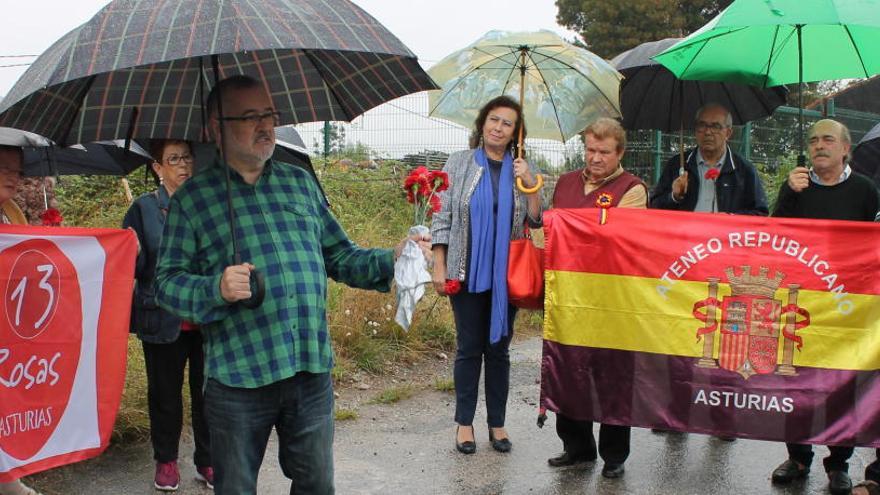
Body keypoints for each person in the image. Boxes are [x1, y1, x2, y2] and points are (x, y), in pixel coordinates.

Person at [154, 75, 429, 495]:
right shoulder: (192, 201)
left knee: (317, 485)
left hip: (309, 368)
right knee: (236, 488)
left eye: (269, 114)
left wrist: (392, 257)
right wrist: (216, 288)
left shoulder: (299, 183)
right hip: (239, 379)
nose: (266, 125)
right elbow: (166, 285)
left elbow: (340, 256)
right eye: (249, 117)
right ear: (215, 127)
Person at [770, 119, 880, 495]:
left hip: (847, 305)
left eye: (828, 140)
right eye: (814, 140)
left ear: (846, 148)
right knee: (794, 382)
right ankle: (798, 456)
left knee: (842, 384)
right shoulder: (795, 186)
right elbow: (774, 236)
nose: (819, 146)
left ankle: (840, 463)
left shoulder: (866, 191)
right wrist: (787, 193)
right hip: (800, 302)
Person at [430, 95, 543, 455]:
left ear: (515, 133)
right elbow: (442, 216)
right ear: (482, 123)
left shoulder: (525, 169)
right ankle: (464, 423)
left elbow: (537, 222)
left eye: (507, 123)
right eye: (493, 119)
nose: (498, 127)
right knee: (468, 349)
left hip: (506, 276)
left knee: (499, 351)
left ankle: (498, 422)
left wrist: (532, 186)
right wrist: (439, 263)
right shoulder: (459, 163)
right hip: (466, 272)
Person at [547, 118, 646, 479]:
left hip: (613, 298)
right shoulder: (565, 183)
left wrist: (574, 229)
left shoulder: (633, 189)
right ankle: (577, 448)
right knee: (568, 370)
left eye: (604, 151)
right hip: (570, 295)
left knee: (613, 378)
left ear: (620, 153)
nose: (595, 158)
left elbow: (621, 239)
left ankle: (614, 455)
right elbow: (550, 231)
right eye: (590, 149)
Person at [122, 140, 212, 492]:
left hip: (205, 316)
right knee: (165, 394)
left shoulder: (207, 205)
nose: (183, 165)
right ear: (157, 168)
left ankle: (207, 460)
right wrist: (135, 252)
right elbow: (133, 267)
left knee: (207, 393)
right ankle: (167, 461)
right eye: (173, 159)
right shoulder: (143, 209)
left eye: (187, 157)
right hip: (161, 317)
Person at [0, 145, 42, 495]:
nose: (12, 177)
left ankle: (8, 480)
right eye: (4, 168)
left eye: (17, 170)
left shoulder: (12, 213)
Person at [650, 103, 768, 215]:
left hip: (724, 235)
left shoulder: (743, 170)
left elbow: (760, 213)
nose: (707, 132)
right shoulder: (678, 165)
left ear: (728, 133)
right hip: (685, 234)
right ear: (695, 130)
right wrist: (674, 197)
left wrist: (730, 218)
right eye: (702, 125)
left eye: (716, 126)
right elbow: (654, 207)